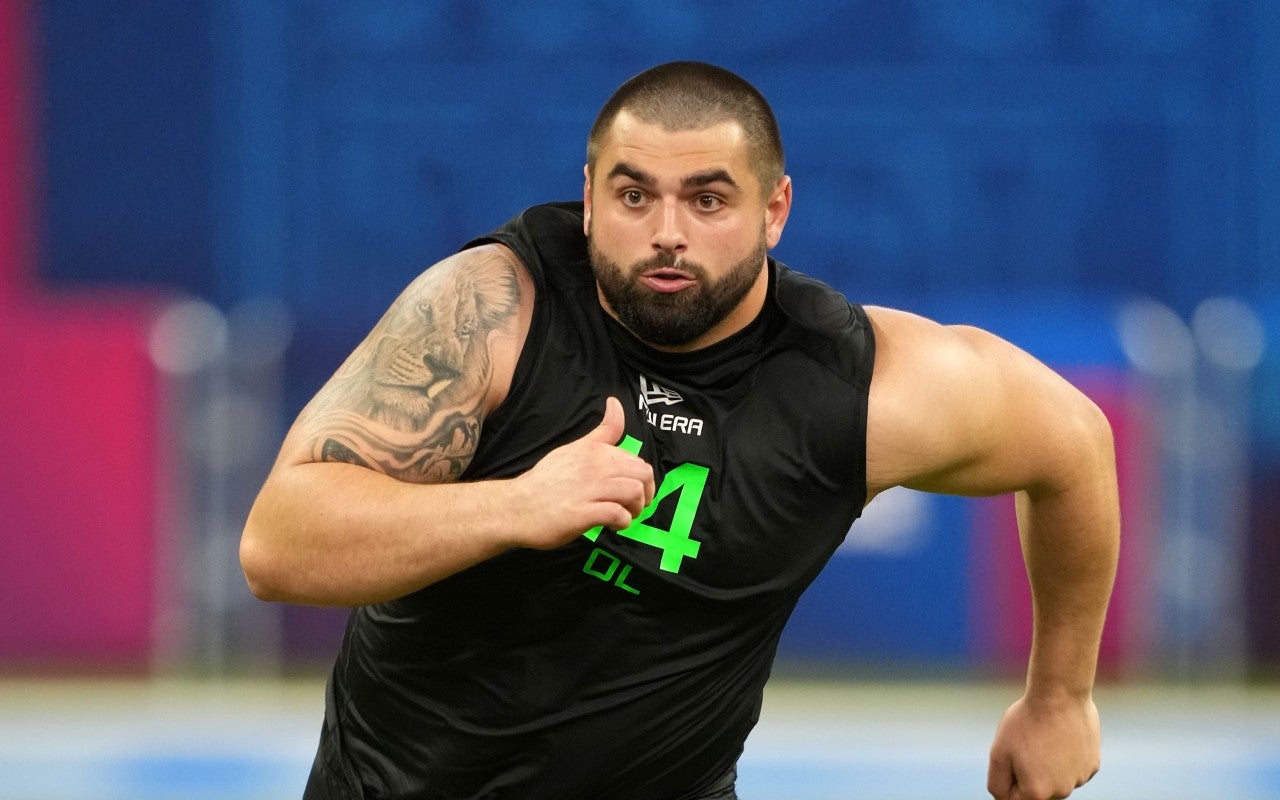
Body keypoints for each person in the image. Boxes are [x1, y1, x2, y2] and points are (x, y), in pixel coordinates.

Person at [240, 61, 1119, 800]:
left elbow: (1074, 443)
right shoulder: (495, 311)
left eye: (708, 200)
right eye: (634, 196)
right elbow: (278, 545)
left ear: (774, 211)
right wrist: (513, 507)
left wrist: (1060, 700)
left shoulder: (854, 387)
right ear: (589, 200)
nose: (667, 234)